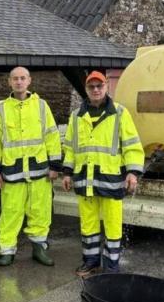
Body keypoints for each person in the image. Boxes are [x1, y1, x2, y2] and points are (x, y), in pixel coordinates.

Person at [61, 71, 144, 276]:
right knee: (88, 224)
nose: (96, 90)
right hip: (84, 179)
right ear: (86, 89)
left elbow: (132, 145)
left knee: (113, 224)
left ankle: (111, 266)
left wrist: (132, 172)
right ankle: (90, 262)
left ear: (106, 86)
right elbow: (70, 147)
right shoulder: (77, 116)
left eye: (99, 86)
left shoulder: (120, 113)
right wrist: (67, 172)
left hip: (111, 179)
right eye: (92, 87)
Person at [0, 67, 61, 267]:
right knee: (10, 214)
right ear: (9, 82)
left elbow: (52, 136)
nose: (19, 82)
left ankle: (39, 249)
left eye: (22, 78)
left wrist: (55, 165)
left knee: (40, 212)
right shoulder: (0, 109)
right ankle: (6, 251)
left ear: (29, 81)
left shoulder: (42, 106)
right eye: (15, 79)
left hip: (40, 172)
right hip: (12, 172)